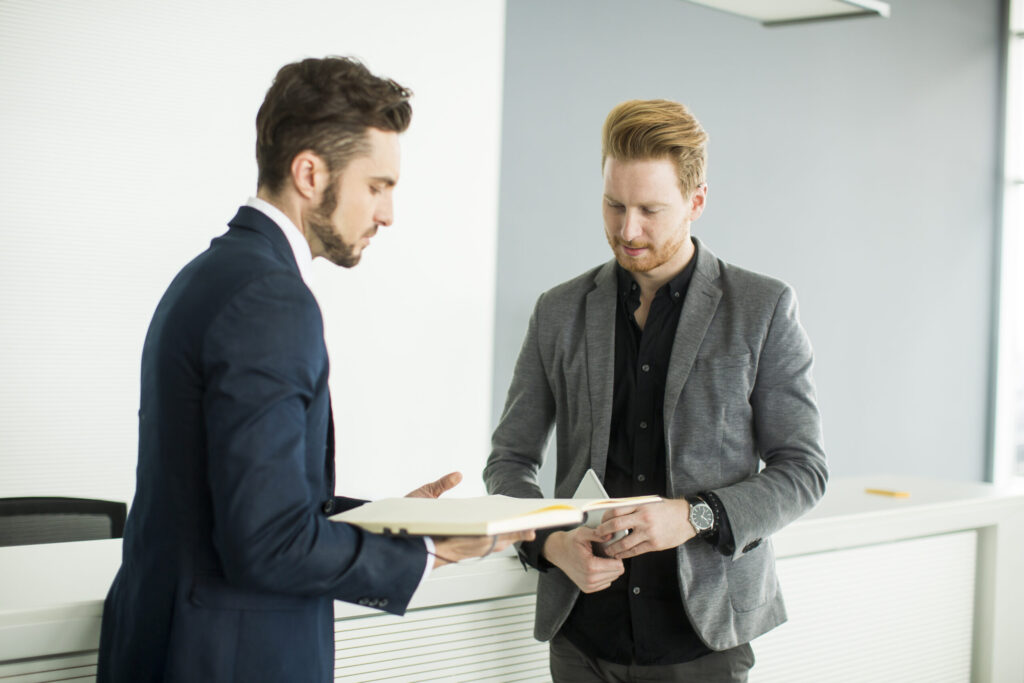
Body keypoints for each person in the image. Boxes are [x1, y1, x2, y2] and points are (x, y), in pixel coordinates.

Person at [97, 56, 531, 683]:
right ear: (309, 173)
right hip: (227, 657)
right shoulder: (269, 300)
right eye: (378, 186)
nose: (388, 214)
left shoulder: (213, 274)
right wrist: (430, 551)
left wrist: (392, 521)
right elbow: (265, 543)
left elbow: (238, 502)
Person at [484, 99, 828, 683]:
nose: (627, 229)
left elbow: (802, 470)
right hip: (582, 638)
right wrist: (549, 542)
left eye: (650, 209)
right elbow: (509, 461)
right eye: (614, 205)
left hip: (703, 640)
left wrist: (694, 516)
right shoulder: (558, 311)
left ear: (696, 202)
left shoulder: (762, 308)